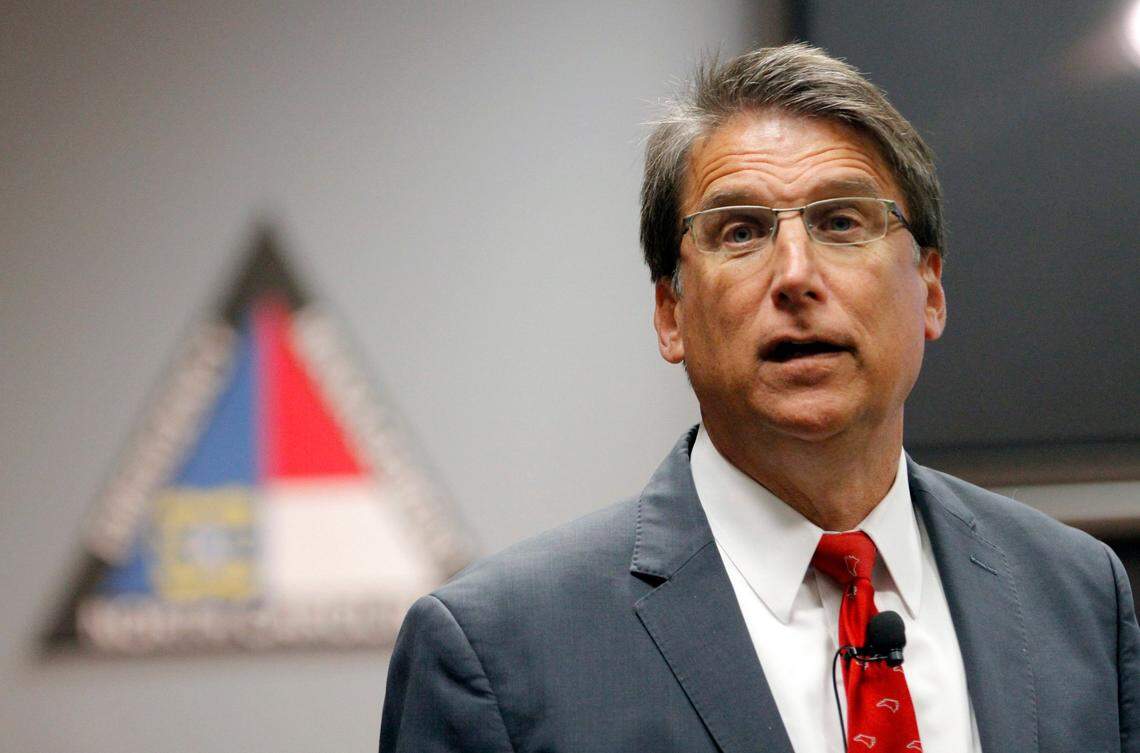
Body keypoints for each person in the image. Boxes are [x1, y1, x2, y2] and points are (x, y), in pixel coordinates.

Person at [378, 43, 1139, 753]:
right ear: (670, 313)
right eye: (739, 231)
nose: (795, 275)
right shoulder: (497, 651)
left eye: (842, 221)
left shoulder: (1076, 594)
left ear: (931, 289)